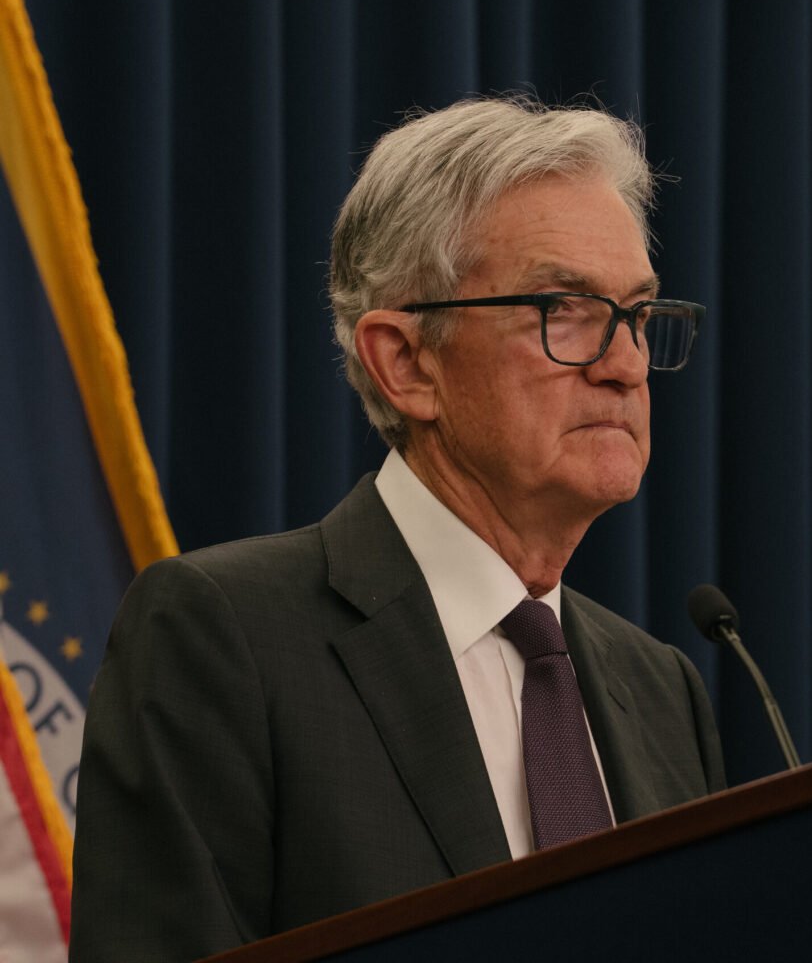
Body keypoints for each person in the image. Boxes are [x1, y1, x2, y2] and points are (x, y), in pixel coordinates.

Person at [69, 96, 726, 962]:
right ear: (407, 362)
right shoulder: (225, 636)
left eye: (637, 314)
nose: (626, 364)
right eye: (565, 310)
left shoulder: (664, 691)